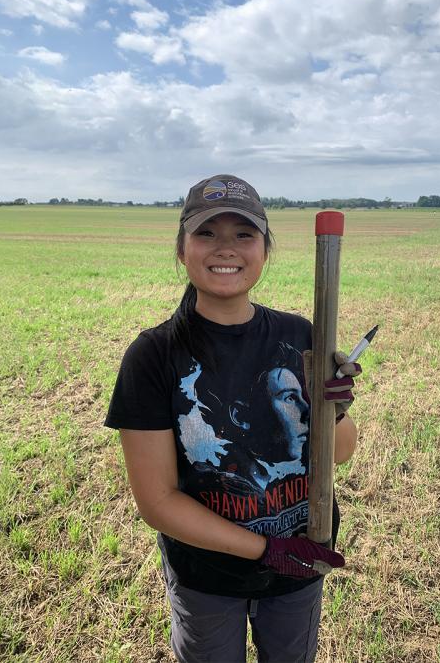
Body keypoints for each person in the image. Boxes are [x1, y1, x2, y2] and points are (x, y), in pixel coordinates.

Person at [104, 174, 362, 662]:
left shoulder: (299, 333)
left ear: (265, 249)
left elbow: (339, 452)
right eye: (207, 233)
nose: (226, 248)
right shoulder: (154, 355)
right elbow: (157, 501)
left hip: (302, 558)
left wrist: (336, 410)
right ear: (182, 249)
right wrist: (263, 550)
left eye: (243, 234)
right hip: (207, 577)